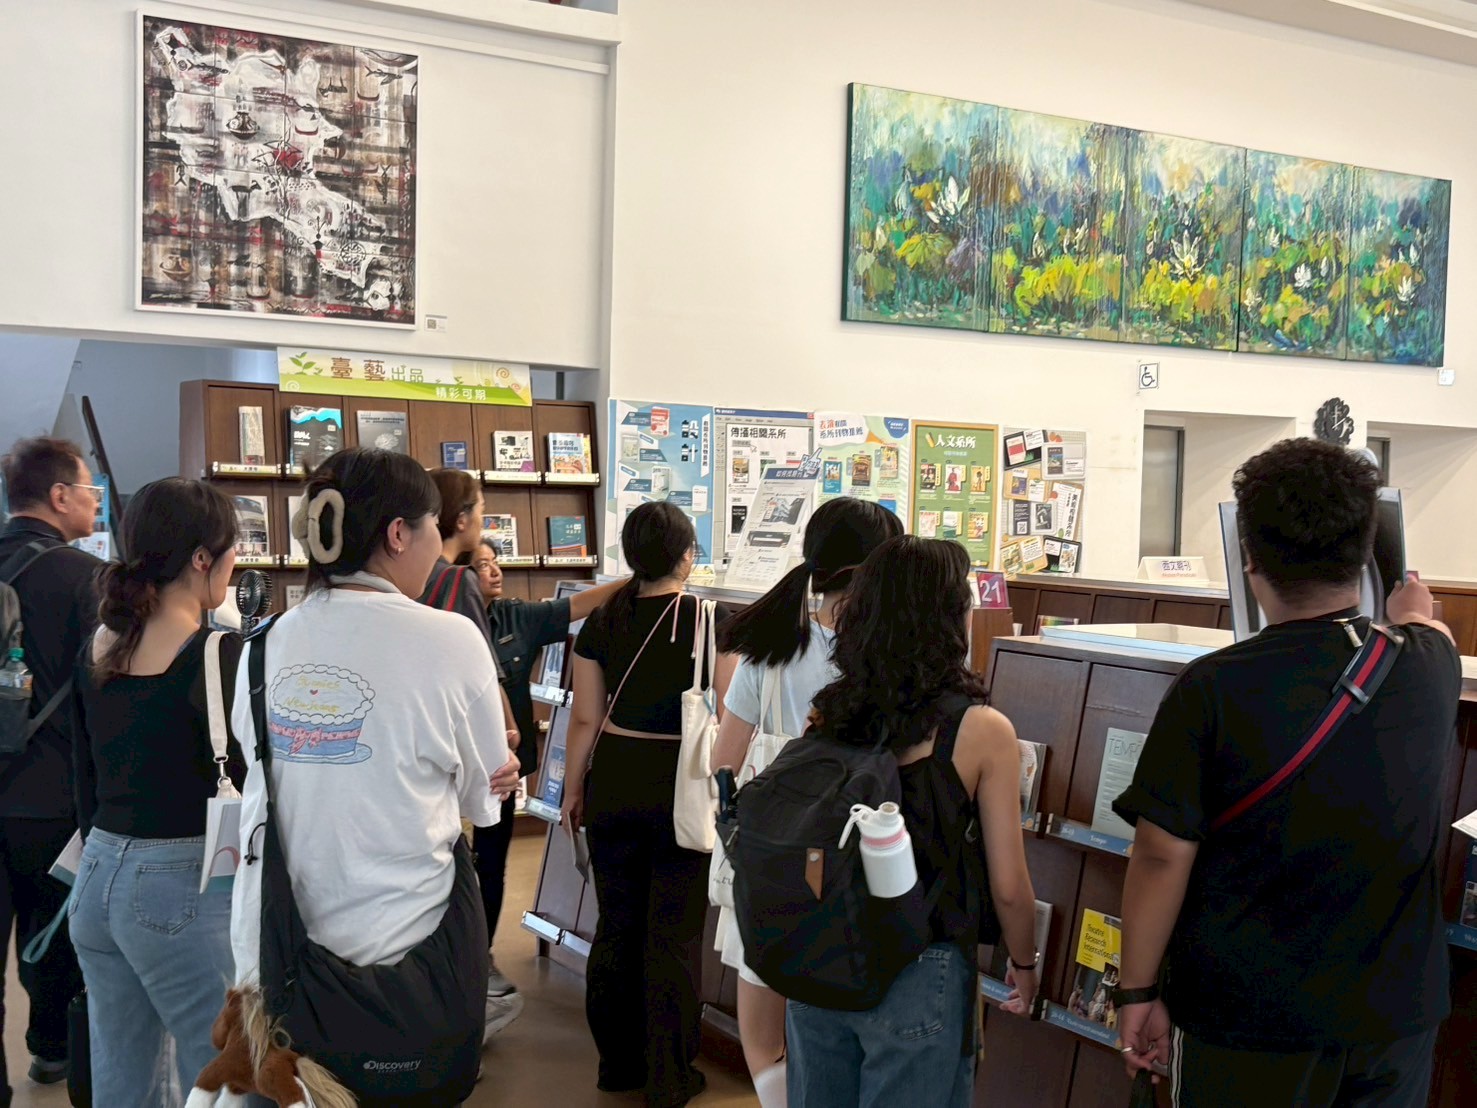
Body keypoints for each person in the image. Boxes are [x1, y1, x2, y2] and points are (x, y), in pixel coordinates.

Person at [1113, 438, 1460, 1106]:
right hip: (1393, 1015)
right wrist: (1413, 611)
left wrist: (1136, 991)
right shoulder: (1426, 665)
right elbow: (1431, 630)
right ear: (1365, 551)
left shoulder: (1211, 687)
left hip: (1248, 1019)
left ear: (1249, 555)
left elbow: (1159, 855)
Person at [229, 448, 518, 1101]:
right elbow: (483, 799)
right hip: (416, 950)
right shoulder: (452, 640)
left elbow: (260, 768)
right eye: (434, 526)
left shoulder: (261, 645)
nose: (439, 545)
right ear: (397, 534)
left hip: (291, 951)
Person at [785, 536, 1041, 1108]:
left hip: (820, 954)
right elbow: (1008, 884)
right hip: (922, 966)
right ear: (952, 616)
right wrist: (1024, 963)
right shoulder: (981, 729)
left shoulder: (828, 710)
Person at [710, 497, 902, 1108]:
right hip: (854, 868)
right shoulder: (889, 655)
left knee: (763, 1039)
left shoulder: (769, 648)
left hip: (772, 860)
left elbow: (723, 761)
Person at [70, 478, 244, 1105]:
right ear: (202, 558)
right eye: (232, 547)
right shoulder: (221, 654)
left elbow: (83, 777)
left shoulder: (100, 646)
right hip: (180, 884)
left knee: (123, 1074)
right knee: (223, 1074)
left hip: (96, 875)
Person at [561, 502, 731, 1108]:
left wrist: (573, 787)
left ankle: (617, 1065)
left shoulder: (602, 620)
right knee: (674, 934)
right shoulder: (711, 620)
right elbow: (728, 711)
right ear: (686, 555)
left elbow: (585, 717)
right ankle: (669, 1075)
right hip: (679, 786)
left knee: (617, 924)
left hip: (613, 776)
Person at [464, 535, 625, 1020]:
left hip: (499, 772)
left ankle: (480, 959)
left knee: (491, 864)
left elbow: (576, 607)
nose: (494, 571)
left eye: (496, 562)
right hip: (448, 769)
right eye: (481, 565)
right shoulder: (442, 623)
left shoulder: (515, 617)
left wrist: (635, 577)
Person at [0, 437, 99, 1094]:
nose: (95, 501)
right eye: (89, 489)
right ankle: (51, 1049)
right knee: (56, 936)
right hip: (52, 797)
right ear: (60, 496)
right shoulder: (84, 577)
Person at [421, 469, 525, 1035]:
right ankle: (471, 991)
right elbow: (482, 673)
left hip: (420, 742)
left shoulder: (408, 581)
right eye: (480, 508)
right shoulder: (456, 583)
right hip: (459, 748)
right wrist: (505, 732)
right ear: (461, 518)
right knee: (470, 866)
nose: (483, 518)